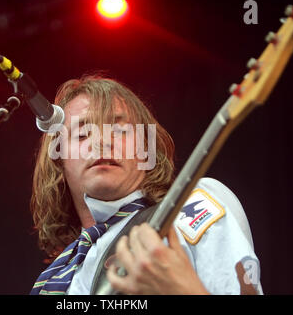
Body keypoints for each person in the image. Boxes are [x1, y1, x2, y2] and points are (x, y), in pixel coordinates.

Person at [29, 74, 263, 295]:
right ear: (59, 160)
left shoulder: (188, 208)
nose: (101, 141)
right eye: (82, 134)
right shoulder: (61, 276)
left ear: (146, 150)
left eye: (119, 129)